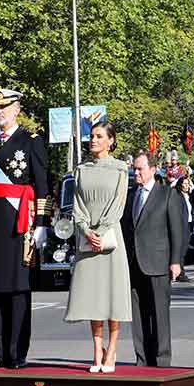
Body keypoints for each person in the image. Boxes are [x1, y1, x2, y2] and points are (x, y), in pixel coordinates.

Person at [0, 88, 49, 369]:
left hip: (21, 222)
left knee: (18, 288)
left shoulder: (31, 141)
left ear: (17, 109)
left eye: (4, 107)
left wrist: (42, 224)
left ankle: (17, 352)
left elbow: (42, 184)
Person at [65, 122, 131, 373]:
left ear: (110, 141)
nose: (93, 140)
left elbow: (118, 206)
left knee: (112, 296)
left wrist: (101, 232)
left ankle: (112, 350)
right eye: (91, 136)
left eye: (99, 136)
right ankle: (96, 352)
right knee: (92, 297)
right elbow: (77, 206)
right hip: (87, 240)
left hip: (111, 239)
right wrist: (86, 231)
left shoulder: (120, 169)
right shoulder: (81, 170)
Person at [121, 150, 184, 367]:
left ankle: (162, 359)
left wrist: (176, 261)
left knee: (159, 314)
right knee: (138, 315)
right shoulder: (131, 196)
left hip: (158, 263)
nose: (135, 172)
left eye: (140, 168)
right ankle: (142, 359)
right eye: (134, 168)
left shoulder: (167, 194)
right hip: (133, 262)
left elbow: (178, 231)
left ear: (153, 170)